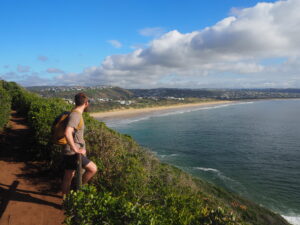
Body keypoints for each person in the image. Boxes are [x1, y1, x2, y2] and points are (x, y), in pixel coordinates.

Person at [61, 93, 97, 196]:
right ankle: (76, 190)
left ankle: (65, 200)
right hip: (73, 153)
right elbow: (67, 132)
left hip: (68, 150)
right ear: (86, 103)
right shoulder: (76, 115)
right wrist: (76, 149)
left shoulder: (73, 113)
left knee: (68, 175)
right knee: (93, 168)